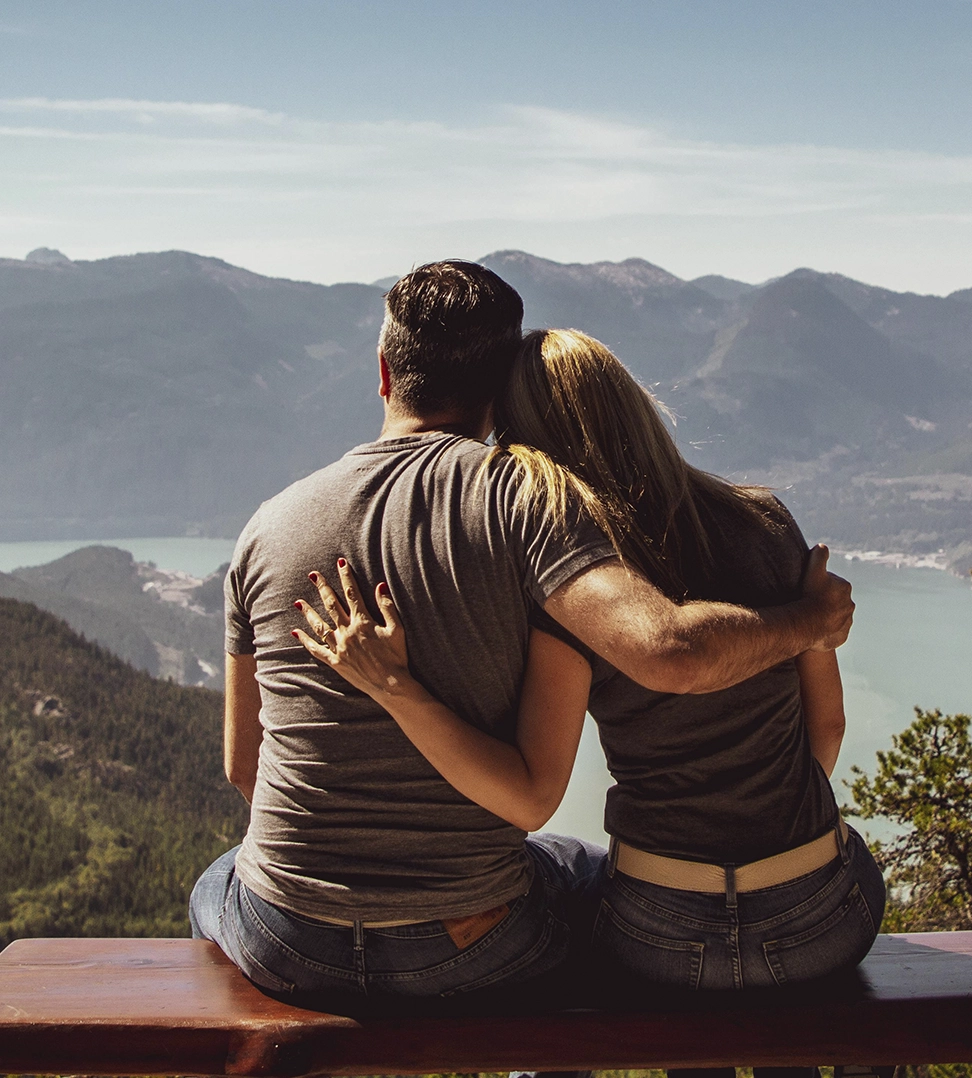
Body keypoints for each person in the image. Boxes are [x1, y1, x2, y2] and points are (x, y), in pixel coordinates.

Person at [191, 264, 855, 1009]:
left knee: (218, 880)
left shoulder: (265, 527)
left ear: (383, 372)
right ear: (499, 388)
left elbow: (246, 771)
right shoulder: (529, 504)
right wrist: (811, 622)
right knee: (574, 869)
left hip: (287, 938)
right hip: (472, 942)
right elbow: (665, 658)